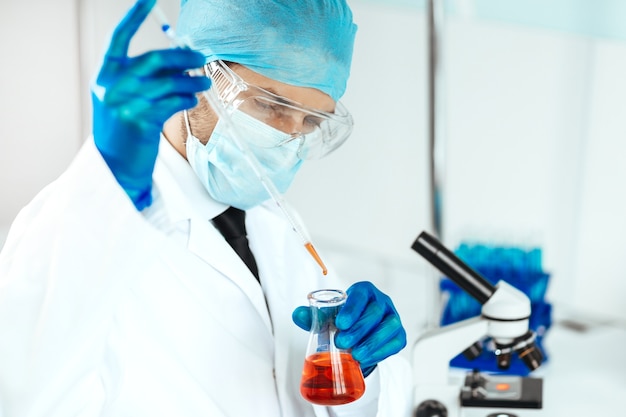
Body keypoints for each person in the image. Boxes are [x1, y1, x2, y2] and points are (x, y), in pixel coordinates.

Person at [0, 0, 413, 416]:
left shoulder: (273, 222)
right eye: (271, 106)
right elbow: (24, 396)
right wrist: (109, 182)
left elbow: (313, 397)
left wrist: (363, 363)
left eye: (310, 122)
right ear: (197, 76)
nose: (288, 141)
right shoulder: (78, 223)